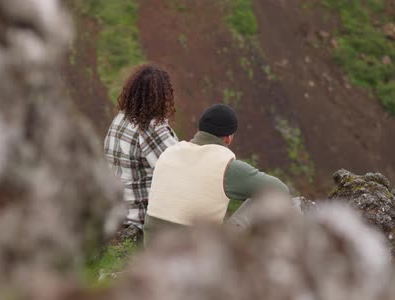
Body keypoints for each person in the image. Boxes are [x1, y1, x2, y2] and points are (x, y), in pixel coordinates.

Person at [144, 104, 290, 244]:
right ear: (228, 138)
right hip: (196, 252)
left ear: (199, 130)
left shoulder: (169, 152)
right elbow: (280, 190)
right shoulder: (227, 166)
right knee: (263, 196)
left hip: (153, 244)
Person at [104, 64, 178, 233]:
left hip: (117, 213)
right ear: (163, 96)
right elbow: (179, 169)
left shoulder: (121, 118)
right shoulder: (150, 128)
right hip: (140, 218)